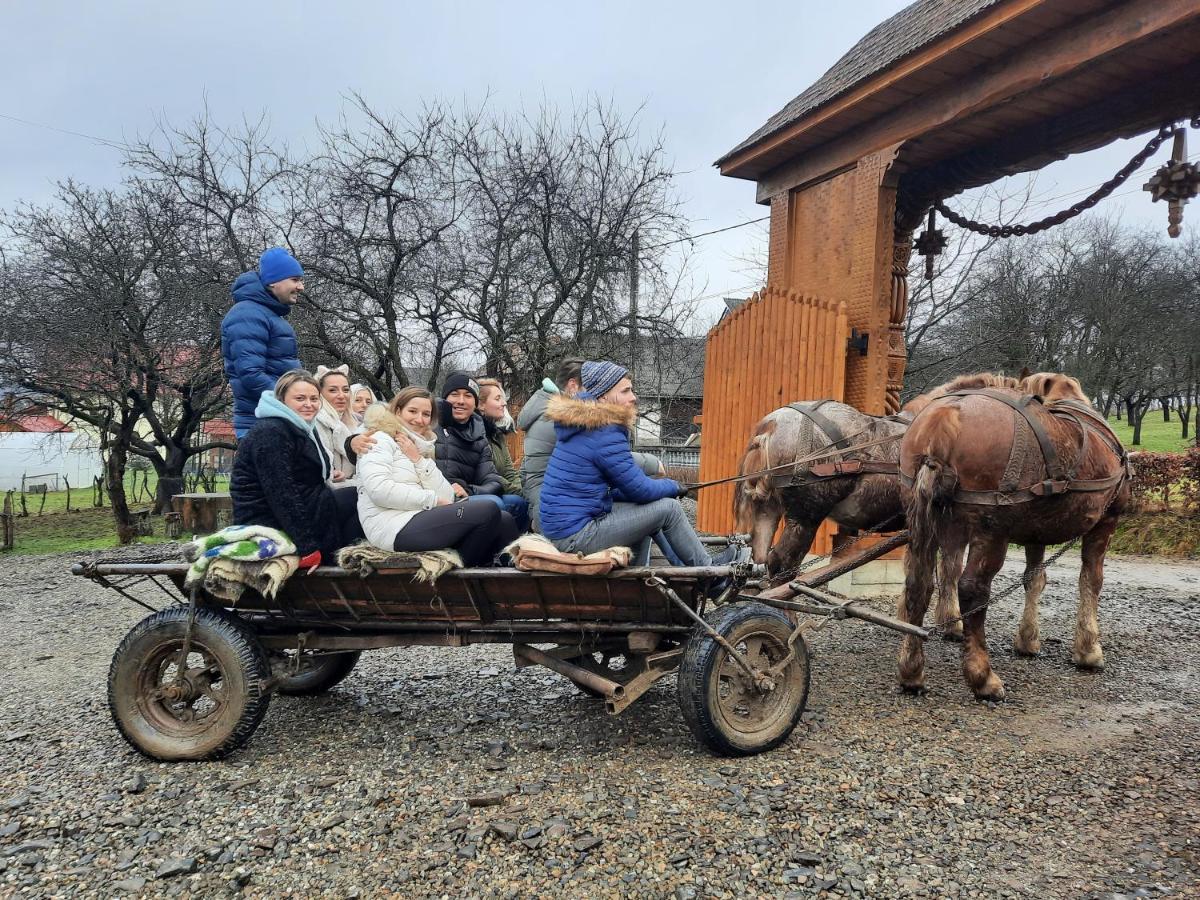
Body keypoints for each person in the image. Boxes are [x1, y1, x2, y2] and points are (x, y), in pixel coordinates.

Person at [539, 361, 744, 569]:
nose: (633, 397)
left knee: (650, 508)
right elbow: (640, 490)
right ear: (603, 396)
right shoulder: (603, 430)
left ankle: (676, 573)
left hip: (566, 528)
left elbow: (620, 490)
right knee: (669, 509)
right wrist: (673, 487)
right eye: (626, 391)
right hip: (575, 536)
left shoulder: (586, 424)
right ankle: (710, 575)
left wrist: (661, 490)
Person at [356, 387, 519, 566]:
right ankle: (463, 576)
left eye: (426, 414)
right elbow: (379, 490)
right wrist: (432, 500)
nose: (419, 419)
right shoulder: (379, 440)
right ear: (397, 411)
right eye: (412, 411)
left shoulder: (421, 446)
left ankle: (511, 585)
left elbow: (446, 494)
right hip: (391, 525)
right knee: (488, 510)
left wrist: (418, 459)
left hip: (420, 515)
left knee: (505, 520)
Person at [230, 370, 361, 569]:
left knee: (360, 500)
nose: (308, 404)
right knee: (358, 499)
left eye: (314, 399)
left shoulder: (300, 426)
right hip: (267, 515)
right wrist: (307, 547)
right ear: (282, 399)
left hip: (307, 504)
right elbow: (281, 493)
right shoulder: (271, 432)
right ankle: (337, 565)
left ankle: (345, 562)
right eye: (300, 398)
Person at [518, 357, 665, 532]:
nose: (596, 395)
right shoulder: (562, 418)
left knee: (643, 506)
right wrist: (653, 463)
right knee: (647, 509)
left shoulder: (554, 413)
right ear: (573, 386)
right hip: (557, 508)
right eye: (590, 388)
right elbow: (608, 453)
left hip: (560, 497)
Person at [222, 247, 305, 439]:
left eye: (301, 280)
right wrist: (293, 399)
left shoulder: (268, 314)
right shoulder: (248, 314)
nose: (301, 287)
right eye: (295, 280)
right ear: (273, 282)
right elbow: (251, 374)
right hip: (261, 424)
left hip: (276, 420)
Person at [433, 372, 507, 501]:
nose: (461, 401)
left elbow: (492, 479)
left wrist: (470, 491)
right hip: (437, 497)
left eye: (468, 396)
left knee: (517, 503)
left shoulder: (478, 435)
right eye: (454, 394)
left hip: (465, 494)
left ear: (475, 404)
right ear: (445, 399)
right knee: (494, 503)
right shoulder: (430, 425)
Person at [476, 378, 530, 531]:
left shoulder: (497, 434)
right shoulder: (477, 434)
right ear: (481, 405)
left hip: (500, 490)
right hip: (485, 491)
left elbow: (509, 471)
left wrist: (524, 490)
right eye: (498, 398)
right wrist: (523, 494)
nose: (504, 403)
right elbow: (490, 475)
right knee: (519, 502)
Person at [313, 364, 358, 487]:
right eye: (333, 390)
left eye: (345, 390)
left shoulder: (354, 422)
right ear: (319, 393)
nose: (341, 395)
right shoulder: (316, 422)